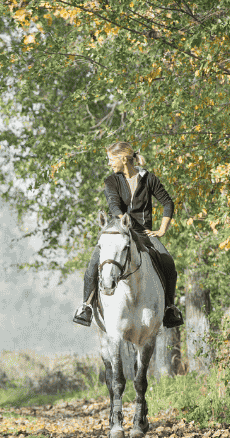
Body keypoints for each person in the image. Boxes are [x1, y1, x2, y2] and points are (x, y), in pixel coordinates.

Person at [72, 141, 184, 329]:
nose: (109, 163)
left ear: (124, 159)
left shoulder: (149, 178)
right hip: (118, 232)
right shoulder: (111, 181)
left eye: (111, 159)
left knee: (168, 263)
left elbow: (167, 202)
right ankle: (86, 306)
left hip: (143, 233)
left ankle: (169, 308)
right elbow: (113, 205)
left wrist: (162, 229)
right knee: (93, 264)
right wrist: (124, 221)